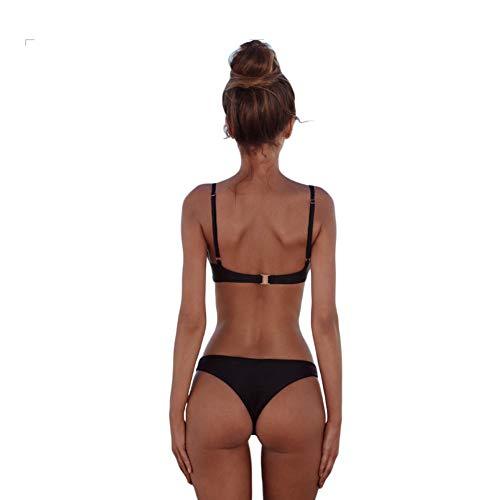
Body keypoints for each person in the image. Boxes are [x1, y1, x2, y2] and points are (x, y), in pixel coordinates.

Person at [169, 39, 342, 499]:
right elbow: (324, 321)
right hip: (293, 386)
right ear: (288, 125)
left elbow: (192, 318)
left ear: (231, 125)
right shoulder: (316, 206)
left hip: (218, 385)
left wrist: (175, 409)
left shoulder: (201, 205)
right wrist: (336, 416)